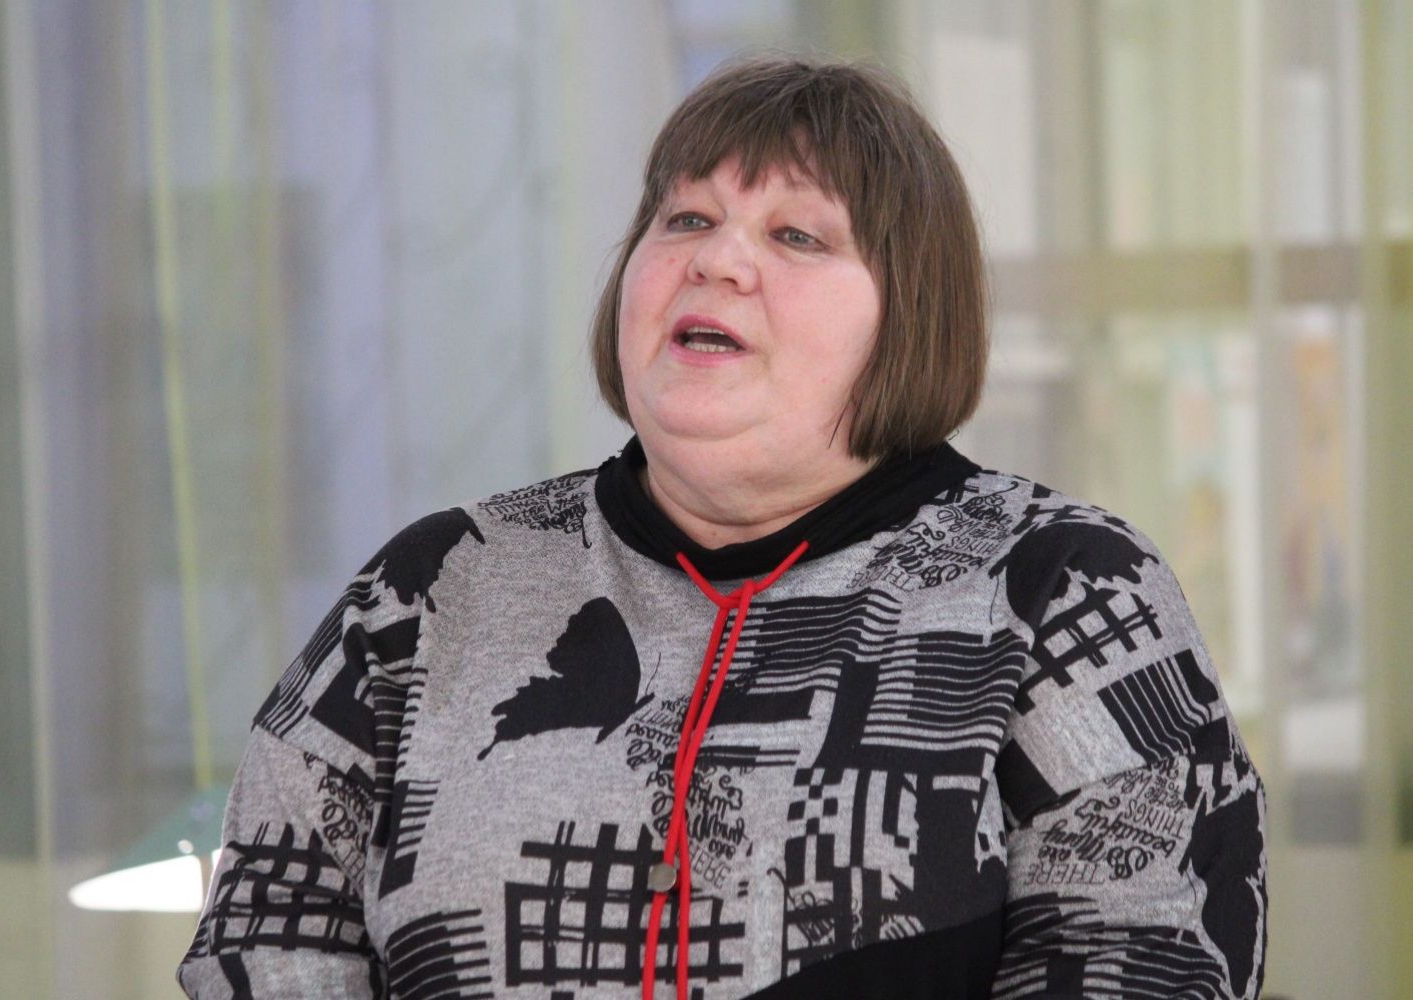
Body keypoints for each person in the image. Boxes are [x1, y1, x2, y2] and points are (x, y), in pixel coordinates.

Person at [178, 56, 1267, 1000]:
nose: (716, 259)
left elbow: (1150, 956)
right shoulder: (435, 586)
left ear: (910, 316)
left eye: (797, 234)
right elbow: (266, 936)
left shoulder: (1059, 586)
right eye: (686, 219)